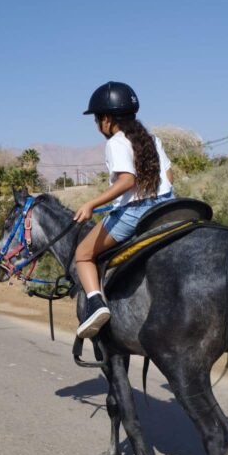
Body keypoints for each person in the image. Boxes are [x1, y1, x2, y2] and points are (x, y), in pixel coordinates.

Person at [73, 81, 174, 339]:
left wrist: (91, 204)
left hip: (136, 212)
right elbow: (169, 177)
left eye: (97, 119)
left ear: (106, 118)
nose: (97, 125)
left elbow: (127, 180)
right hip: (170, 204)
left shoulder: (116, 142)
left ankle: (96, 305)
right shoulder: (152, 139)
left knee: (83, 254)